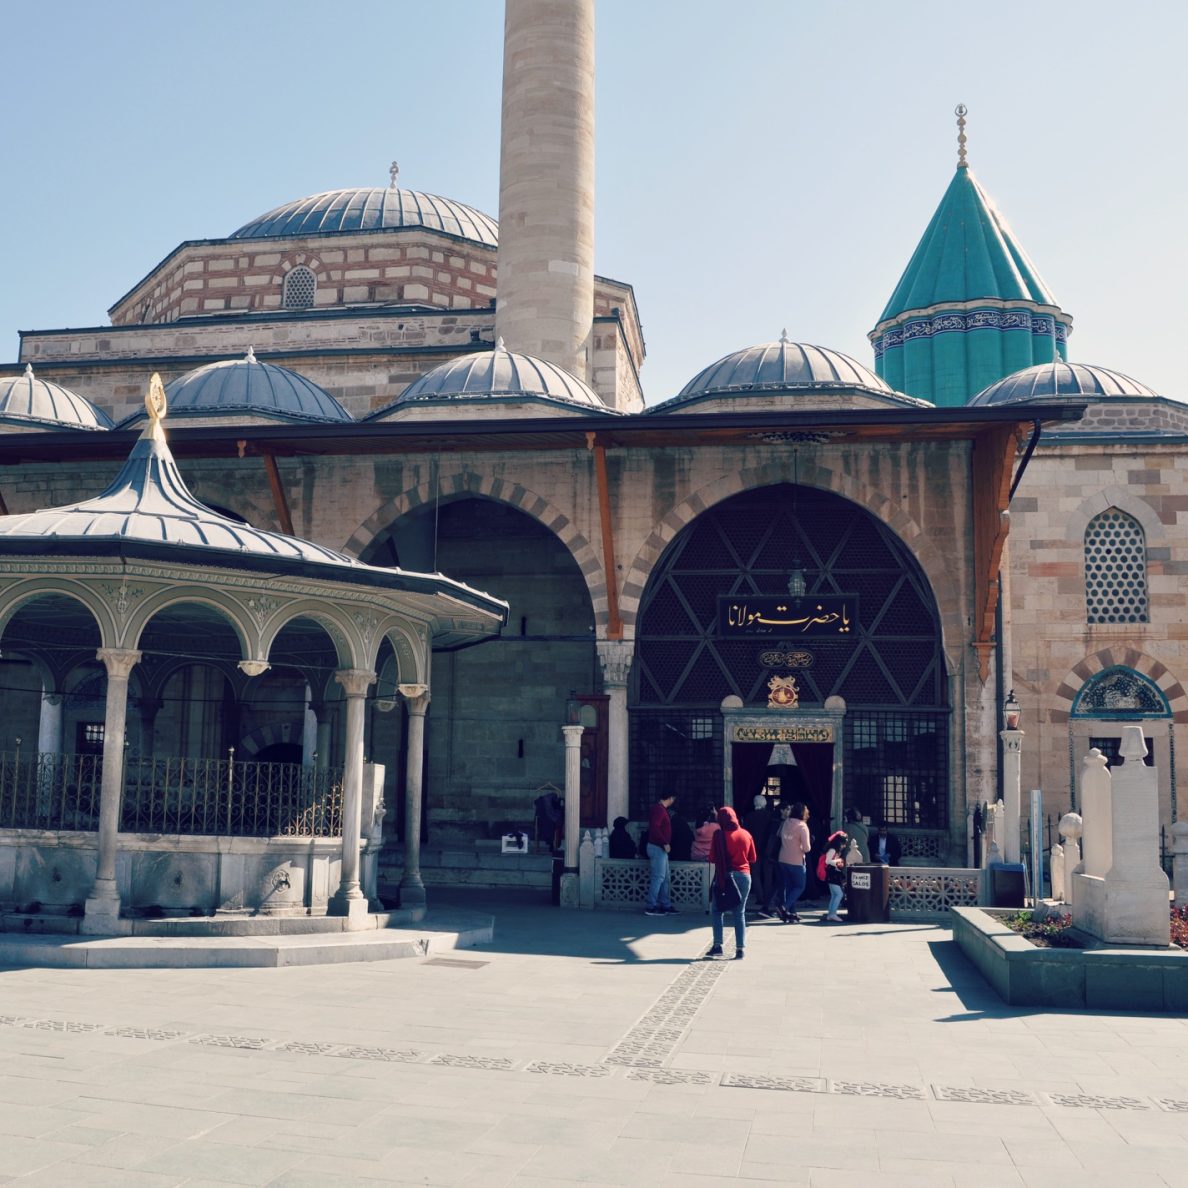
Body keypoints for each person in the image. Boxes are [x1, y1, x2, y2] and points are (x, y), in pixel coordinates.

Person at [706, 806, 757, 959]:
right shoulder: (746, 834)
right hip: (744, 876)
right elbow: (753, 858)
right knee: (739, 913)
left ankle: (718, 945)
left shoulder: (719, 836)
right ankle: (740, 949)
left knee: (717, 911)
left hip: (724, 877)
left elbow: (712, 858)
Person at [777, 800, 812, 923]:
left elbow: (781, 836)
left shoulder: (786, 822)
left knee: (790, 887)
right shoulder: (803, 826)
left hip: (782, 859)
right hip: (796, 861)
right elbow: (807, 848)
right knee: (800, 886)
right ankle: (784, 908)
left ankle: (791, 914)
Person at [742, 793, 777, 918]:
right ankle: (767, 898)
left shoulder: (749, 817)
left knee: (755, 874)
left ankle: (760, 897)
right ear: (765, 804)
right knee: (768, 874)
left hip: (753, 848)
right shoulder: (770, 816)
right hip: (767, 848)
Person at [644, 792, 677, 916]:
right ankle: (650, 906)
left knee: (664, 878)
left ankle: (665, 904)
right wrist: (664, 842)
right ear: (670, 797)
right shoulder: (659, 810)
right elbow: (655, 828)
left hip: (660, 848)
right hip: (658, 847)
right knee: (658, 878)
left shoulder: (659, 809)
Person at [822, 829, 848, 923]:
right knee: (839, 894)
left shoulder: (833, 850)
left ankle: (831, 914)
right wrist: (838, 861)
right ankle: (833, 914)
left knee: (834, 895)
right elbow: (827, 861)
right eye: (843, 844)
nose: (844, 846)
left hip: (833, 874)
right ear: (839, 843)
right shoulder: (832, 850)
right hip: (833, 874)